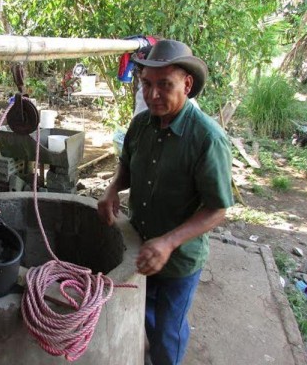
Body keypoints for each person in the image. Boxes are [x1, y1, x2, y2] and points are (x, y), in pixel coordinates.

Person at [97, 39, 234, 365]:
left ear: (187, 85)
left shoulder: (207, 138)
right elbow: (127, 166)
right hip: (139, 247)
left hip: (179, 259)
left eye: (164, 85)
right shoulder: (140, 125)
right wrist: (112, 189)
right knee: (145, 315)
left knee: (167, 334)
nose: (153, 95)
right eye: (146, 84)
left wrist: (169, 242)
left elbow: (217, 209)